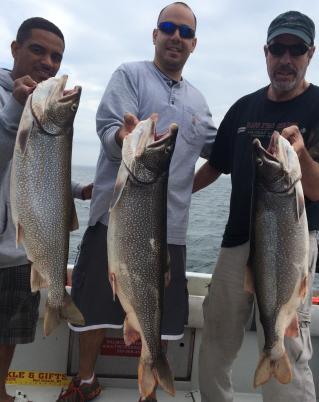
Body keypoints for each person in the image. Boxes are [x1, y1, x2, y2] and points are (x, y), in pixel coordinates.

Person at [57, 2, 216, 402]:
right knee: (93, 306)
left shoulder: (199, 102)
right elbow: (110, 130)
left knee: (156, 313)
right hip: (113, 221)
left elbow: (222, 153)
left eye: (184, 32)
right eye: (168, 27)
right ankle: (87, 381)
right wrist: (123, 139)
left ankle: (149, 388)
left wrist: (187, 191)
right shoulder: (129, 75)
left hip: (170, 230)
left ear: (194, 44)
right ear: (154, 34)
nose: (175, 37)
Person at [194, 10, 319, 402]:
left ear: (310, 54)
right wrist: (167, 200)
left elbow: (316, 190)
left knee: (288, 342)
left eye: (295, 49)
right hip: (236, 243)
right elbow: (216, 166)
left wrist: (302, 159)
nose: (286, 58)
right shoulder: (243, 108)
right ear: (265, 53)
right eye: (278, 49)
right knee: (216, 338)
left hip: (291, 245)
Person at [0, 18, 92, 402]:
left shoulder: (41, 104)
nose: (48, 62)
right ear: (14, 49)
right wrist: (13, 114)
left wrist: (77, 189)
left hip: (22, 247)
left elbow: (40, 167)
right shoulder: (14, 102)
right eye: (38, 50)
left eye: (56, 56)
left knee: (8, 335)